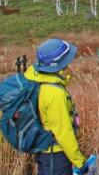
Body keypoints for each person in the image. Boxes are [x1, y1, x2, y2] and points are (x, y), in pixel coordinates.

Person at [24, 38, 87, 175]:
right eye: (67, 60)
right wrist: (79, 162)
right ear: (59, 64)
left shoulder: (36, 80)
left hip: (43, 151)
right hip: (55, 155)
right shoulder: (54, 93)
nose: (69, 64)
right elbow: (63, 132)